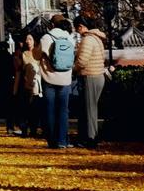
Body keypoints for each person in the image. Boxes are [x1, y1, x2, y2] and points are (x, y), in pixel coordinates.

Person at [40, 14, 75, 149]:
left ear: (52, 24)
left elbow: (39, 55)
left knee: (49, 109)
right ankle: (62, 140)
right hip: (65, 79)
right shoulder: (69, 38)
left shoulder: (46, 37)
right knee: (63, 110)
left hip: (49, 77)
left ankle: (52, 140)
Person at [73, 15, 106, 149]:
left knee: (89, 109)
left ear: (81, 26)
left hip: (89, 76)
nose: (77, 32)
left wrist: (74, 68)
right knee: (91, 108)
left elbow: (82, 61)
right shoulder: (97, 38)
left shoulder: (87, 40)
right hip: (98, 75)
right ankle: (89, 136)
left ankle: (91, 138)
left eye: (77, 29)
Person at [14, 33, 42, 137]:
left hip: (37, 84)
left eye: (30, 39)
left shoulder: (38, 53)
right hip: (25, 84)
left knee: (35, 107)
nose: (28, 41)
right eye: (26, 39)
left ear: (34, 41)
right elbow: (19, 71)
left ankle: (34, 129)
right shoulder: (23, 53)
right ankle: (24, 129)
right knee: (25, 107)